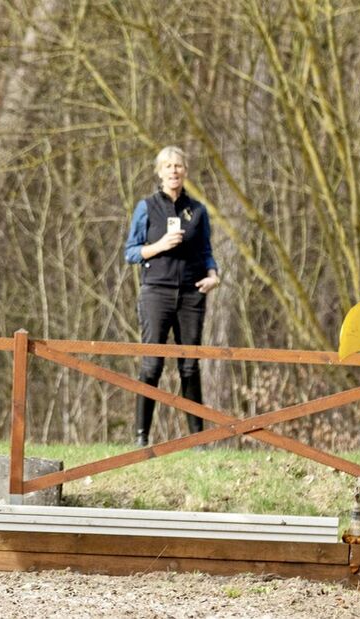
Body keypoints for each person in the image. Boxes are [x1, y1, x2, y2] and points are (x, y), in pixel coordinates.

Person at [123, 146, 220, 446]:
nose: (174, 171)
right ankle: (142, 437)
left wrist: (214, 276)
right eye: (168, 166)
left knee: (190, 365)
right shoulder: (147, 207)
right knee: (152, 363)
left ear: (185, 171)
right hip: (156, 292)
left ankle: (198, 439)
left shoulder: (198, 210)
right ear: (159, 172)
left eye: (178, 166)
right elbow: (131, 252)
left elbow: (206, 252)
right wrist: (161, 245)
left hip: (191, 295)